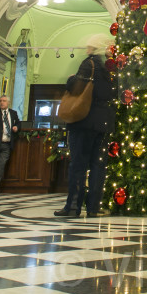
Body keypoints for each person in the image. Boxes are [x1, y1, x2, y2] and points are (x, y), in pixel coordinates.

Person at [54, 34, 117, 218]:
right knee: (98, 166)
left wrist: (71, 78)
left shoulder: (89, 64)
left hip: (84, 119)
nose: (86, 49)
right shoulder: (111, 68)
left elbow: (76, 87)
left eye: (89, 46)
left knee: (78, 164)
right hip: (104, 123)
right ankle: (93, 208)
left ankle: (73, 206)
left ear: (93, 48)